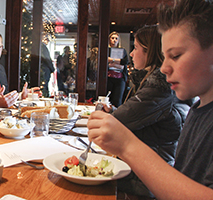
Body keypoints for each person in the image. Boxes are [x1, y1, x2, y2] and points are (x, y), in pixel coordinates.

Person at [87, 0, 213, 199]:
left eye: (176, 55)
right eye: (164, 56)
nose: (164, 68)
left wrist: (128, 146)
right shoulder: (199, 109)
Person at [102, 25, 190, 198]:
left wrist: (107, 116)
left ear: (151, 52)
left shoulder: (159, 87)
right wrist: (113, 110)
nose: (132, 53)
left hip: (145, 183)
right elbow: (135, 116)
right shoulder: (152, 82)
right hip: (147, 175)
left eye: (136, 48)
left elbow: (116, 122)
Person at [107, 31, 129, 107]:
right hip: (108, 78)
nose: (114, 40)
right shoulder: (106, 50)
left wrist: (112, 60)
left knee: (117, 100)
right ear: (109, 39)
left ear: (119, 40)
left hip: (120, 79)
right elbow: (106, 64)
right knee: (107, 99)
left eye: (116, 38)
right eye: (112, 38)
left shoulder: (123, 51)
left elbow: (124, 63)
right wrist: (119, 63)